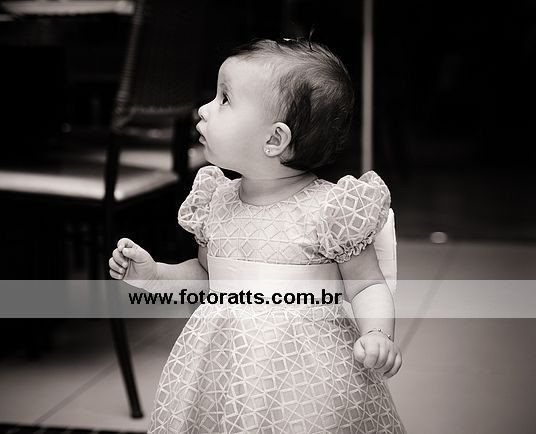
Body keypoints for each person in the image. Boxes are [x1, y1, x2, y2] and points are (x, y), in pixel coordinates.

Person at [109, 38, 406, 433]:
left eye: (224, 99)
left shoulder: (332, 211)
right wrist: (154, 275)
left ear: (273, 140)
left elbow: (366, 284)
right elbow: (207, 278)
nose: (203, 109)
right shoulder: (216, 201)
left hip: (309, 380)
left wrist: (377, 333)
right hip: (224, 369)